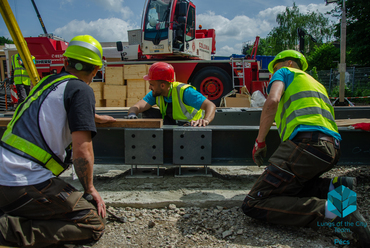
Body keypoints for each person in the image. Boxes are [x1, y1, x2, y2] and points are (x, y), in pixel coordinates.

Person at [241, 50, 370, 246]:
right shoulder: (316, 84)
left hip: (306, 145)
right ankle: (336, 187)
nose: (274, 72)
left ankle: (337, 210)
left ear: (290, 63)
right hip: (330, 149)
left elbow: (272, 100)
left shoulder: (285, 73)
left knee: (254, 203)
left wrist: (260, 141)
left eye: (275, 67)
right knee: (291, 187)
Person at [0, 35, 108, 247]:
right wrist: (90, 189)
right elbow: (82, 150)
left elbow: (56, 108)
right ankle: (8, 231)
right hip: (23, 183)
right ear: (95, 71)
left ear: (65, 62)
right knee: (92, 224)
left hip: (5, 177)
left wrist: (92, 116)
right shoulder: (81, 90)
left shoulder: (47, 83)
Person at [127, 62, 216, 127]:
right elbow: (137, 107)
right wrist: (132, 114)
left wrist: (205, 120)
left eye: (152, 84)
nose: (150, 88)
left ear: (162, 85)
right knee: (146, 111)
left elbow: (210, 105)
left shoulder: (185, 92)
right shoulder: (156, 93)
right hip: (172, 123)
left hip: (191, 125)